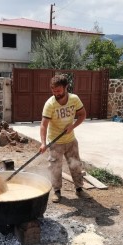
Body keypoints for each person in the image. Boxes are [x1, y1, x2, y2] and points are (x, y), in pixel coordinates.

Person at [40, 74, 88, 203]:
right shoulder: (50, 104)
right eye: (53, 91)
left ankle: (79, 189)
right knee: (55, 168)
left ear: (66, 87)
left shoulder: (74, 99)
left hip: (71, 140)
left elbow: (83, 115)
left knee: (76, 165)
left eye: (59, 90)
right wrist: (43, 143)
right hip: (55, 142)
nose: (56, 93)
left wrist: (72, 126)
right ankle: (57, 192)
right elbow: (44, 125)